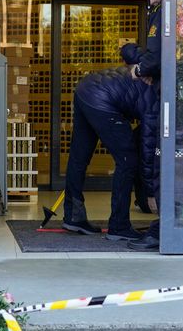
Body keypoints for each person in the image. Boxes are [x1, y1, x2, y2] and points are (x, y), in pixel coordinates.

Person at [62, 67, 159, 242]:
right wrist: (151, 193)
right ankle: (119, 226)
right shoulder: (156, 101)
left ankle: (73, 216)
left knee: (79, 157)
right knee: (128, 161)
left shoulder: (148, 72)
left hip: (86, 87)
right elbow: (148, 149)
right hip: (103, 100)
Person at [119, 0, 163, 250]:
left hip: (169, 102)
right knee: (154, 159)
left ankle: (162, 229)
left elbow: (156, 57)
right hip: (159, 98)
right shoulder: (155, 12)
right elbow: (151, 56)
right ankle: (162, 225)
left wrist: (139, 68)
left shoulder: (168, 12)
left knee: (158, 160)